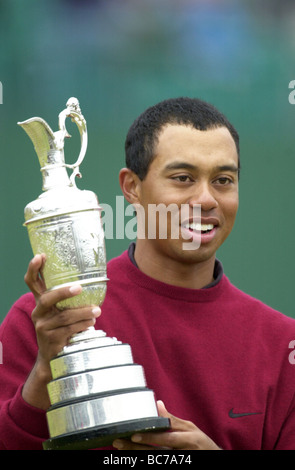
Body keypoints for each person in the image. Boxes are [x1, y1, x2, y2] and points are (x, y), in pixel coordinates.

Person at [1, 97, 295, 450]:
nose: (206, 199)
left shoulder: (282, 347)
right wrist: (45, 375)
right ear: (132, 188)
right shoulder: (48, 324)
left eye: (223, 180)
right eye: (183, 178)